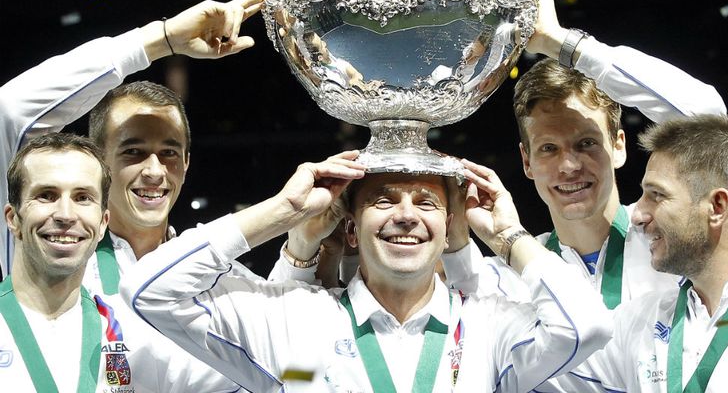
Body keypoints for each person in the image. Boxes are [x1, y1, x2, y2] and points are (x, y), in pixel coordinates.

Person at [121, 150, 613, 392]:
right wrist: (281, 211)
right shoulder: (294, 318)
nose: (405, 215)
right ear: (352, 230)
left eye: (426, 203)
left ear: (448, 228)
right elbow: (148, 290)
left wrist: (509, 237)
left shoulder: (489, 326)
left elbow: (586, 326)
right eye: (384, 200)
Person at [438, 0, 727, 306]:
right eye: (548, 148)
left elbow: (709, 119)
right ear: (527, 161)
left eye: (586, 143)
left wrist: (562, 44)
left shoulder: (674, 239)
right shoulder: (511, 278)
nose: (569, 165)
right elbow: (461, 313)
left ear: (618, 147)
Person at [0, 0, 269, 280]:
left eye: (169, 153)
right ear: (99, 161)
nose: (155, 171)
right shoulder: (45, 252)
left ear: (186, 162)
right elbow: (12, 111)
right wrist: (160, 40)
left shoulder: (219, 278)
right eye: (133, 152)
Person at [0, 133, 242, 391]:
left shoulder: (135, 331)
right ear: (13, 218)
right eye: (46, 195)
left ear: (103, 222)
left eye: (83, 198)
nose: (66, 215)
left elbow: (263, 374)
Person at [554, 114, 728, 391]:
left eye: (657, 195)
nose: (638, 215)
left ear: (716, 206)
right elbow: (527, 360)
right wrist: (508, 238)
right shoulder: (640, 321)